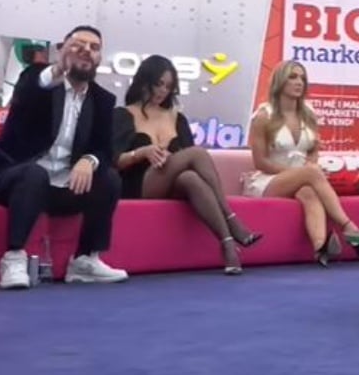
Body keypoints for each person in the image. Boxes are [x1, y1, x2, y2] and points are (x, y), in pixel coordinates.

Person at [0, 25, 128, 289]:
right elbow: (29, 93)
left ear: (99, 58)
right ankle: (14, 258)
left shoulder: (102, 100)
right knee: (34, 174)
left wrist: (89, 160)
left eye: (94, 48)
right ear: (62, 49)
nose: (86, 51)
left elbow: (104, 150)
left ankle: (85, 260)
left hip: (64, 185)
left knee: (108, 178)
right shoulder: (37, 80)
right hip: (15, 177)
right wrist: (57, 70)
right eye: (78, 45)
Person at [112, 55, 262, 275]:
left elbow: (188, 160)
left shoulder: (177, 118)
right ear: (145, 80)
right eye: (159, 84)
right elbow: (113, 161)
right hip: (138, 182)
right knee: (198, 153)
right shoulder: (123, 115)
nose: (163, 91)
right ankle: (232, 220)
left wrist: (172, 158)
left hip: (172, 181)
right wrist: (142, 152)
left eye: (168, 86)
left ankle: (228, 244)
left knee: (190, 178)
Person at [242, 60, 359, 266]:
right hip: (269, 180)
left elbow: (313, 150)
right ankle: (349, 227)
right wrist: (298, 173)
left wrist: (308, 168)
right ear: (280, 81)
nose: (299, 82)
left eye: (302, 78)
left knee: (309, 191)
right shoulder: (264, 116)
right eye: (292, 77)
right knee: (310, 174)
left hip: (302, 178)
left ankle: (320, 248)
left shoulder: (308, 114)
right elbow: (260, 162)